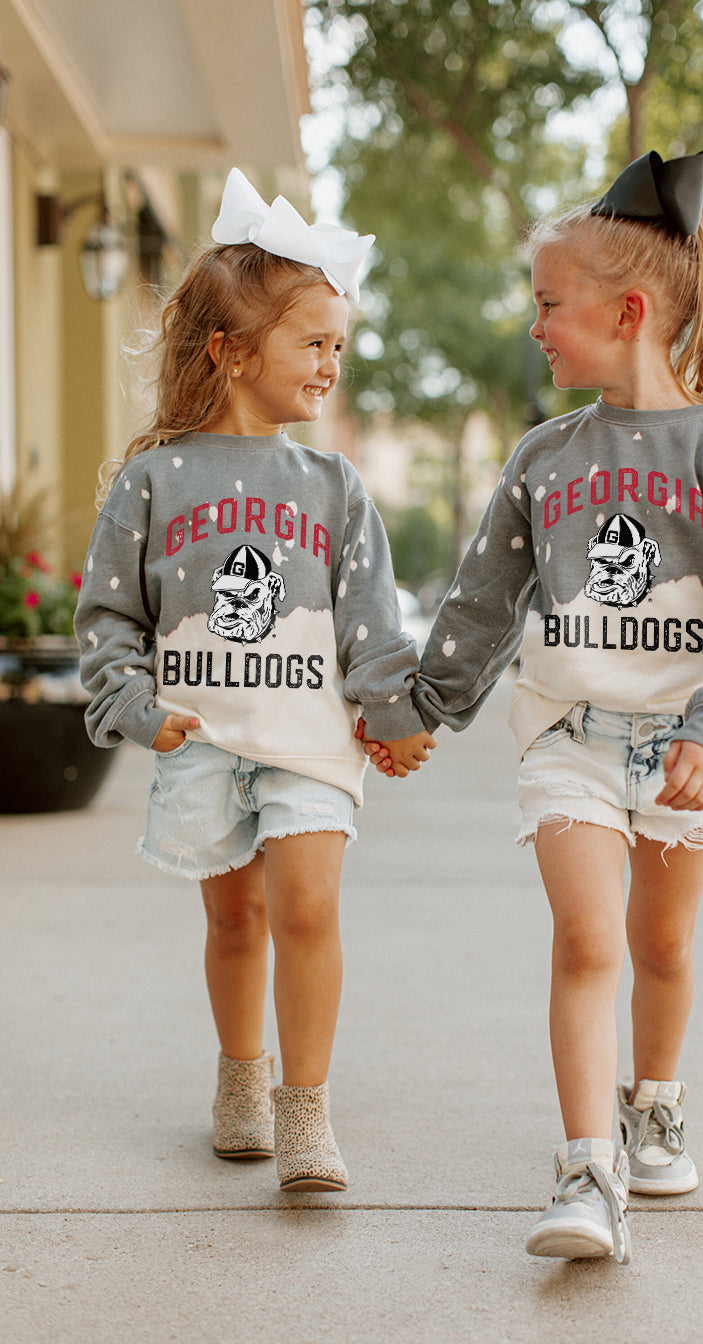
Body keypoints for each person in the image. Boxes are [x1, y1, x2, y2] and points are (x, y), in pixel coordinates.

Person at [365, 150, 703, 1262]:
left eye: (549, 305)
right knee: (588, 937)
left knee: (660, 943)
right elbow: (481, 599)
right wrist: (425, 705)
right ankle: (584, 1167)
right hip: (570, 739)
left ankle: (654, 1100)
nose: (535, 328)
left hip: (684, 749)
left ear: (629, 310)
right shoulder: (544, 458)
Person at [76, 168, 435, 1194]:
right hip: (206, 735)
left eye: (337, 346)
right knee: (234, 920)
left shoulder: (333, 486)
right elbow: (106, 618)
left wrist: (394, 714)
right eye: (313, 343)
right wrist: (134, 708)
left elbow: (372, 625)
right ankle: (242, 1078)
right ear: (233, 351)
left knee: (309, 910)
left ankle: (306, 1110)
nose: (330, 365)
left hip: (311, 743)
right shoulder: (151, 479)